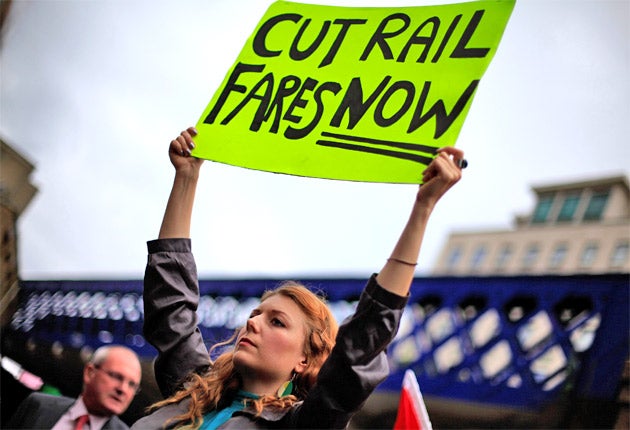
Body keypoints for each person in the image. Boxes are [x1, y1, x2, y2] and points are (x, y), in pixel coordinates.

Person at [131, 127, 464, 429]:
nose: (253, 324)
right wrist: (186, 178)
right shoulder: (192, 389)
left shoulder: (300, 425)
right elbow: (171, 306)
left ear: (305, 360)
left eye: (277, 322)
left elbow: (360, 346)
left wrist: (423, 208)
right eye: (255, 315)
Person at [7, 345, 141, 430]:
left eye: (132, 385)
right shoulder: (37, 405)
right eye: (116, 376)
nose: (123, 389)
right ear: (90, 373)